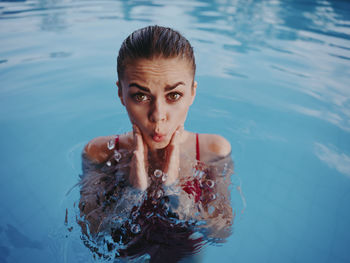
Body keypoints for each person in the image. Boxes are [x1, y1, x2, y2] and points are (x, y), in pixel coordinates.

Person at [78, 25, 234, 262]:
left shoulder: (213, 151)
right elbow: (92, 235)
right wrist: (132, 193)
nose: (158, 114)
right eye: (140, 96)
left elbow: (221, 233)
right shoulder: (99, 154)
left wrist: (174, 192)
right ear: (121, 93)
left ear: (192, 93)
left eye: (173, 95)